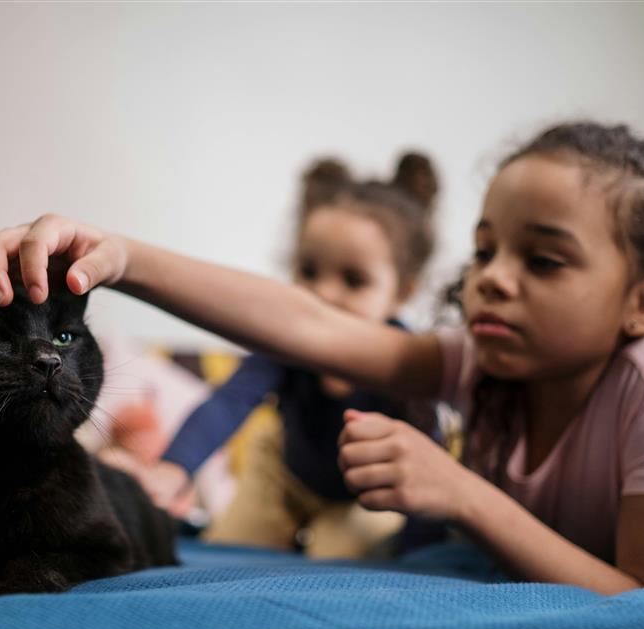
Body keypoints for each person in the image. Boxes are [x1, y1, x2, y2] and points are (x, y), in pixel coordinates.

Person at [0, 122, 644, 595]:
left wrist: (464, 495)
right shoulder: (490, 363)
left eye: (542, 260)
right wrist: (121, 255)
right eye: (484, 250)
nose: (491, 281)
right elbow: (309, 326)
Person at [128, 154, 440, 558]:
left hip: (359, 498)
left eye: (353, 280)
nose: (324, 293)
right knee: (227, 550)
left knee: (344, 560)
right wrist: (173, 469)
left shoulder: (407, 363)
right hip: (281, 473)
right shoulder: (288, 344)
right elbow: (228, 402)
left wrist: (423, 554)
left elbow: (425, 460)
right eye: (309, 271)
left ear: (402, 293)